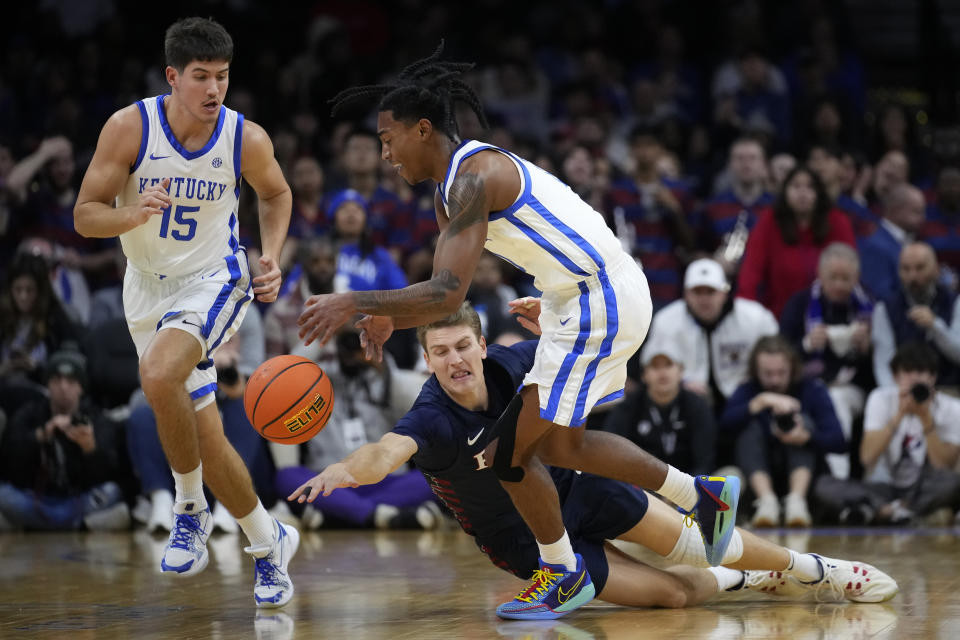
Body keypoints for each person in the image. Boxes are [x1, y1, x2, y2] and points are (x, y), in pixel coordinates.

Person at [299, 43, 742, 619]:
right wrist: (390, 315)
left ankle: (562, 571)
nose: (384, 154)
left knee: (505, 454)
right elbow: (441, 289)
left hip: (598, 297)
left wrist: (353, 300)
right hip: (579, 296)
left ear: (423, 130)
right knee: (561, 445)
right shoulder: (449, 192)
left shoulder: (475, 178)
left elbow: (447, 294)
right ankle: (698, 495)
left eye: (388, 138)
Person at [289, 304, 898, 612]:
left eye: (462, 346)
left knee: (695, 538)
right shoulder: (430, 416)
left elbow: (608, 374)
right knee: (673, 598)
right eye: (440, 351)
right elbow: (385, 450)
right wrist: (347, 469)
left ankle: (817, 568)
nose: (454, 360)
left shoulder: (511, 361)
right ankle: (749, 578)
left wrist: (558, 326)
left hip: (576, 489)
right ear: (426, 359)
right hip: (522, 542)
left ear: (481, 343)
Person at [72, 17, 297, 608]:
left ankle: (189, 510)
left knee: (157, 375)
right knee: (205, 436)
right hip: (145, 287)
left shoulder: (244, 137)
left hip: (213, 277)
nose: (213, 90)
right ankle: (269, 544)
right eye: (200, 77)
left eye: (222, 76)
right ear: (173, 77)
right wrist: (131, 214)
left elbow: (275, 193)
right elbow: (85, 214)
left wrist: (269, 255)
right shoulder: (129, 129)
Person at [815, 343, 960, 525]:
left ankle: (877, 512)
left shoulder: (951, 408)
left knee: (953, 483)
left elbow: (944, 466)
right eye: (907, 372)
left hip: (925, 487)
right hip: (886, 488)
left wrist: (925, 419)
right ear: (895, 376)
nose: (914, 379)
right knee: (823, 485)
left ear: (933, 377)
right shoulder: (880, 399)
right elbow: (867, 458)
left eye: (921, 372)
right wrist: (899, 415)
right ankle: (897, 511)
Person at [720, 336, 846, 527]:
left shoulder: (812, 389)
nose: (775, 380)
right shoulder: (749, 390)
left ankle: (796, 501)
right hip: (757, 482)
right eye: (767, 374)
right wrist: (759, 402)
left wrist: (805, 437)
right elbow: (723, 428)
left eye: (781, 373)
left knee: (803, 421)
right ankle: (766, 501)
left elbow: (838, 441)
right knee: (748, 425)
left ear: (793, 369)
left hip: (806, 482)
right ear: (755, 371)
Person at [0, 348, 130, 532]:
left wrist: (90, 449)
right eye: (56, 380)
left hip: (77, 499)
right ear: (47, 386)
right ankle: (82, 525)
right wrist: (40, 436)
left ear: (81, 388)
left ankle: (34, 526)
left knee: (111, 491)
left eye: (70, 381)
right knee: (4, 494)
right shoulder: (30, 414)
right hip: (38, 499)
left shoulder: (96, 419)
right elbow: (9, 463)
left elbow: (110, 472)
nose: (63, 387)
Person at [641, 258, 778, 423]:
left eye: (710, 291)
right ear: (686, 294)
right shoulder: (666, 320)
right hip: (687, 402)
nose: (704, 299)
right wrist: (681, 383)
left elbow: (777, 353)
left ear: (724, 293)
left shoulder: (755, 317)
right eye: (697, 292)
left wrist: (754, 379)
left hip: (743, 399)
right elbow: (651, 365)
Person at [779, 243, 875, 480]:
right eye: (833, 277)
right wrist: (806, 344)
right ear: (820, 275)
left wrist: (868, 349)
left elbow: (887, 363)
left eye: (846, 278)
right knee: (824, 397)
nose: (840, 285)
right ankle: (831, 478)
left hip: (854, 388)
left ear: (857, 277)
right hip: (807, 386)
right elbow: (779, 354)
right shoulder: (799, 304)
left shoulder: (871, 306)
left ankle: (837, 478)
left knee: (835, 399)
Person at [737, 165, 856, 318]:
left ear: (819, 193)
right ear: (785, 191)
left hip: (831, 315)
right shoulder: (769, 221)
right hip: (778, 315)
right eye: (796, 186)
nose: (802, 193)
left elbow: (850, 269)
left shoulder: (838, 221)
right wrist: (745, 312)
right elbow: (751, 271)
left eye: (809, 187)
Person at [601, 342, 718, 477]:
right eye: (655, 366)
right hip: (641, 488)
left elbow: (705, 462)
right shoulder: (628, 407)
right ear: (644, 375)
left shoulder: (697, 407)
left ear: (680, 372)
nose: (662, 373)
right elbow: (613, 454)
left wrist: (683, 491)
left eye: (668, 365)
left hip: (688, 486)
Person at [871, 242, 960, 388]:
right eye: (906, 269)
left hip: (949, 391)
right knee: (877, 397)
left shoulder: (955, 302)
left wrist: (935, 326)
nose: (913, 276)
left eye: (920, 268)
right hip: (903, 391)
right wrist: (896, 396)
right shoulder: (884, 309)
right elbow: (883, 364)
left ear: (936, 269)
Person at [859, 183, 926, 301]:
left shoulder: (909, 240)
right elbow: (880, 295)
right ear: (896, 210)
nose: (923, 218)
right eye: (916, 212)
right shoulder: (875, 246)